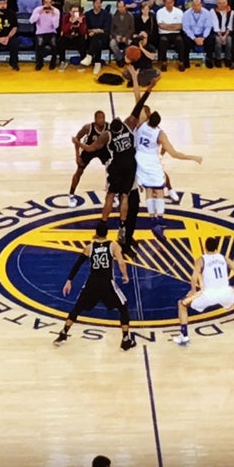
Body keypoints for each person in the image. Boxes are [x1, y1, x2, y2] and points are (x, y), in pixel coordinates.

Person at [72, 84, 155, 240]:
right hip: (130, 166)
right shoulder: (128, 125)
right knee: (124, 196)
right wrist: (149, 89)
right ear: (121, 124)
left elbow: (90, 149)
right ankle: (122, 228)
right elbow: (138, 106)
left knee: (110, 196)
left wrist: (78, 143)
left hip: (116, 167)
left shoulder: (107, 135)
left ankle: (103, 224)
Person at [53, 221, 136, 351]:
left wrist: (69, 280)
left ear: (96, 233)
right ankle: (125, 339)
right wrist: (125, 275)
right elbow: (121, 262)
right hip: (107, 283)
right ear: (107, 233)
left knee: (77, 308)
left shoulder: (89, 247)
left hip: (92, 282)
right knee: (123, 307)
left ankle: (63, 334)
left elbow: (78, 264)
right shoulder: (113, 245)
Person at [135, 98, 202, 238]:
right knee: (158, 191)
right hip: (152, 161)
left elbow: (138, 99)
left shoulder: (141, 124)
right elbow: (175, 154)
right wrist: (193, 157)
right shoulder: (160, 134)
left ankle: (152, 218)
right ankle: (159, 219)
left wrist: (136, 79)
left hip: (139, 159)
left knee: (148, 190)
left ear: (148, 118)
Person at [172, 236, 234, 346]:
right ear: (216, 248)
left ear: (205, 247)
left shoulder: (201, 259)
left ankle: (184, 336)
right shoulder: (223, 258)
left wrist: (192, 291)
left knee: (181, 304)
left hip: (208, 295)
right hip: (225, 292)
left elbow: (193, 277)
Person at [68, 111, 111, 209]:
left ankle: (113, 193)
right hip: (88, 150)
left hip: (102, 150)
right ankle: (71, 195)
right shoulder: (88, 128)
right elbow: (77, 139)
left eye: (103, 118)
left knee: (112, 169)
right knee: (79, 171)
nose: (102, 120)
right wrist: (77, 155)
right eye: (99, 118)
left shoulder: (109, 127)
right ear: (95, 119)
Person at [30, 0, 60, 71]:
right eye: (46, 2)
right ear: (43, 2)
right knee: (39, 45)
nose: (48, 4)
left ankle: (53, 63)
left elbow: (56, 26)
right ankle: (39, 63)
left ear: (52, 3)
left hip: (51, 32)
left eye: (49, 2)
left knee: (54, 45)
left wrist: (53, 15)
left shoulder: (56, 11)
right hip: (40, 32)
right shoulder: (37, 9)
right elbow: (31, 21)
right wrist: (39, 13)